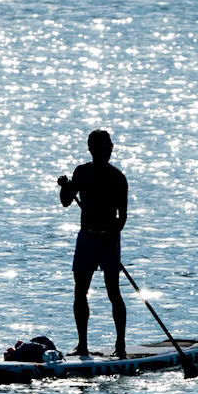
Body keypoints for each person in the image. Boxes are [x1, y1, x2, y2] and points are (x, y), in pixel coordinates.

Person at [57, 130, 128, 358]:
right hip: (86, 237)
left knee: (113, 292)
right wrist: (66, 187)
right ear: (91, 149)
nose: (103, 152)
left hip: (108, 239)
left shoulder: (118, 178)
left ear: (111, 149)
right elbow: (66, 202)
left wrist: (111, 233)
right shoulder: (82, 172)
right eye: (98, 148)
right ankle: (82, 345)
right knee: (80, 291)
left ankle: (120, 345)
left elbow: (123, 217)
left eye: (106, 148)